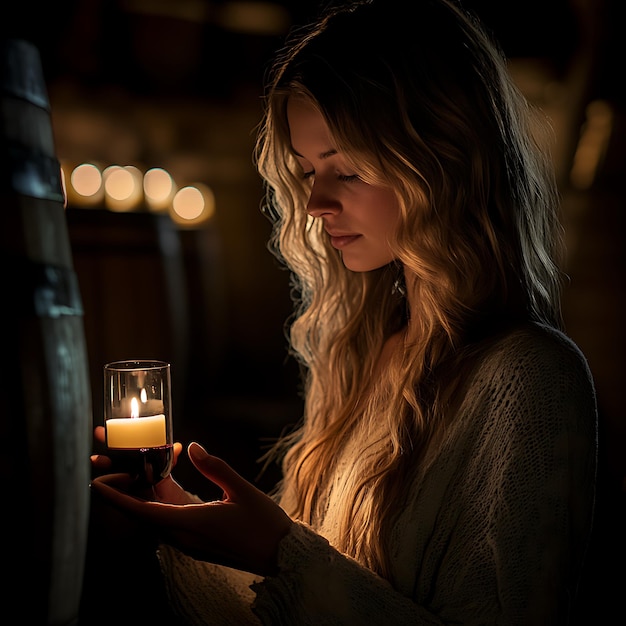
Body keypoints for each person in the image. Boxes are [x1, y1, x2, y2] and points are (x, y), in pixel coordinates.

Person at [90, 0, 599, 623]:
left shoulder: (532, 379)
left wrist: (281, 550)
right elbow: (285, 604)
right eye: (306, 171)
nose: (313, 202)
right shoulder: (364, 353)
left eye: (347, 169)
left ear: (442, 161)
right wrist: (186, 516)